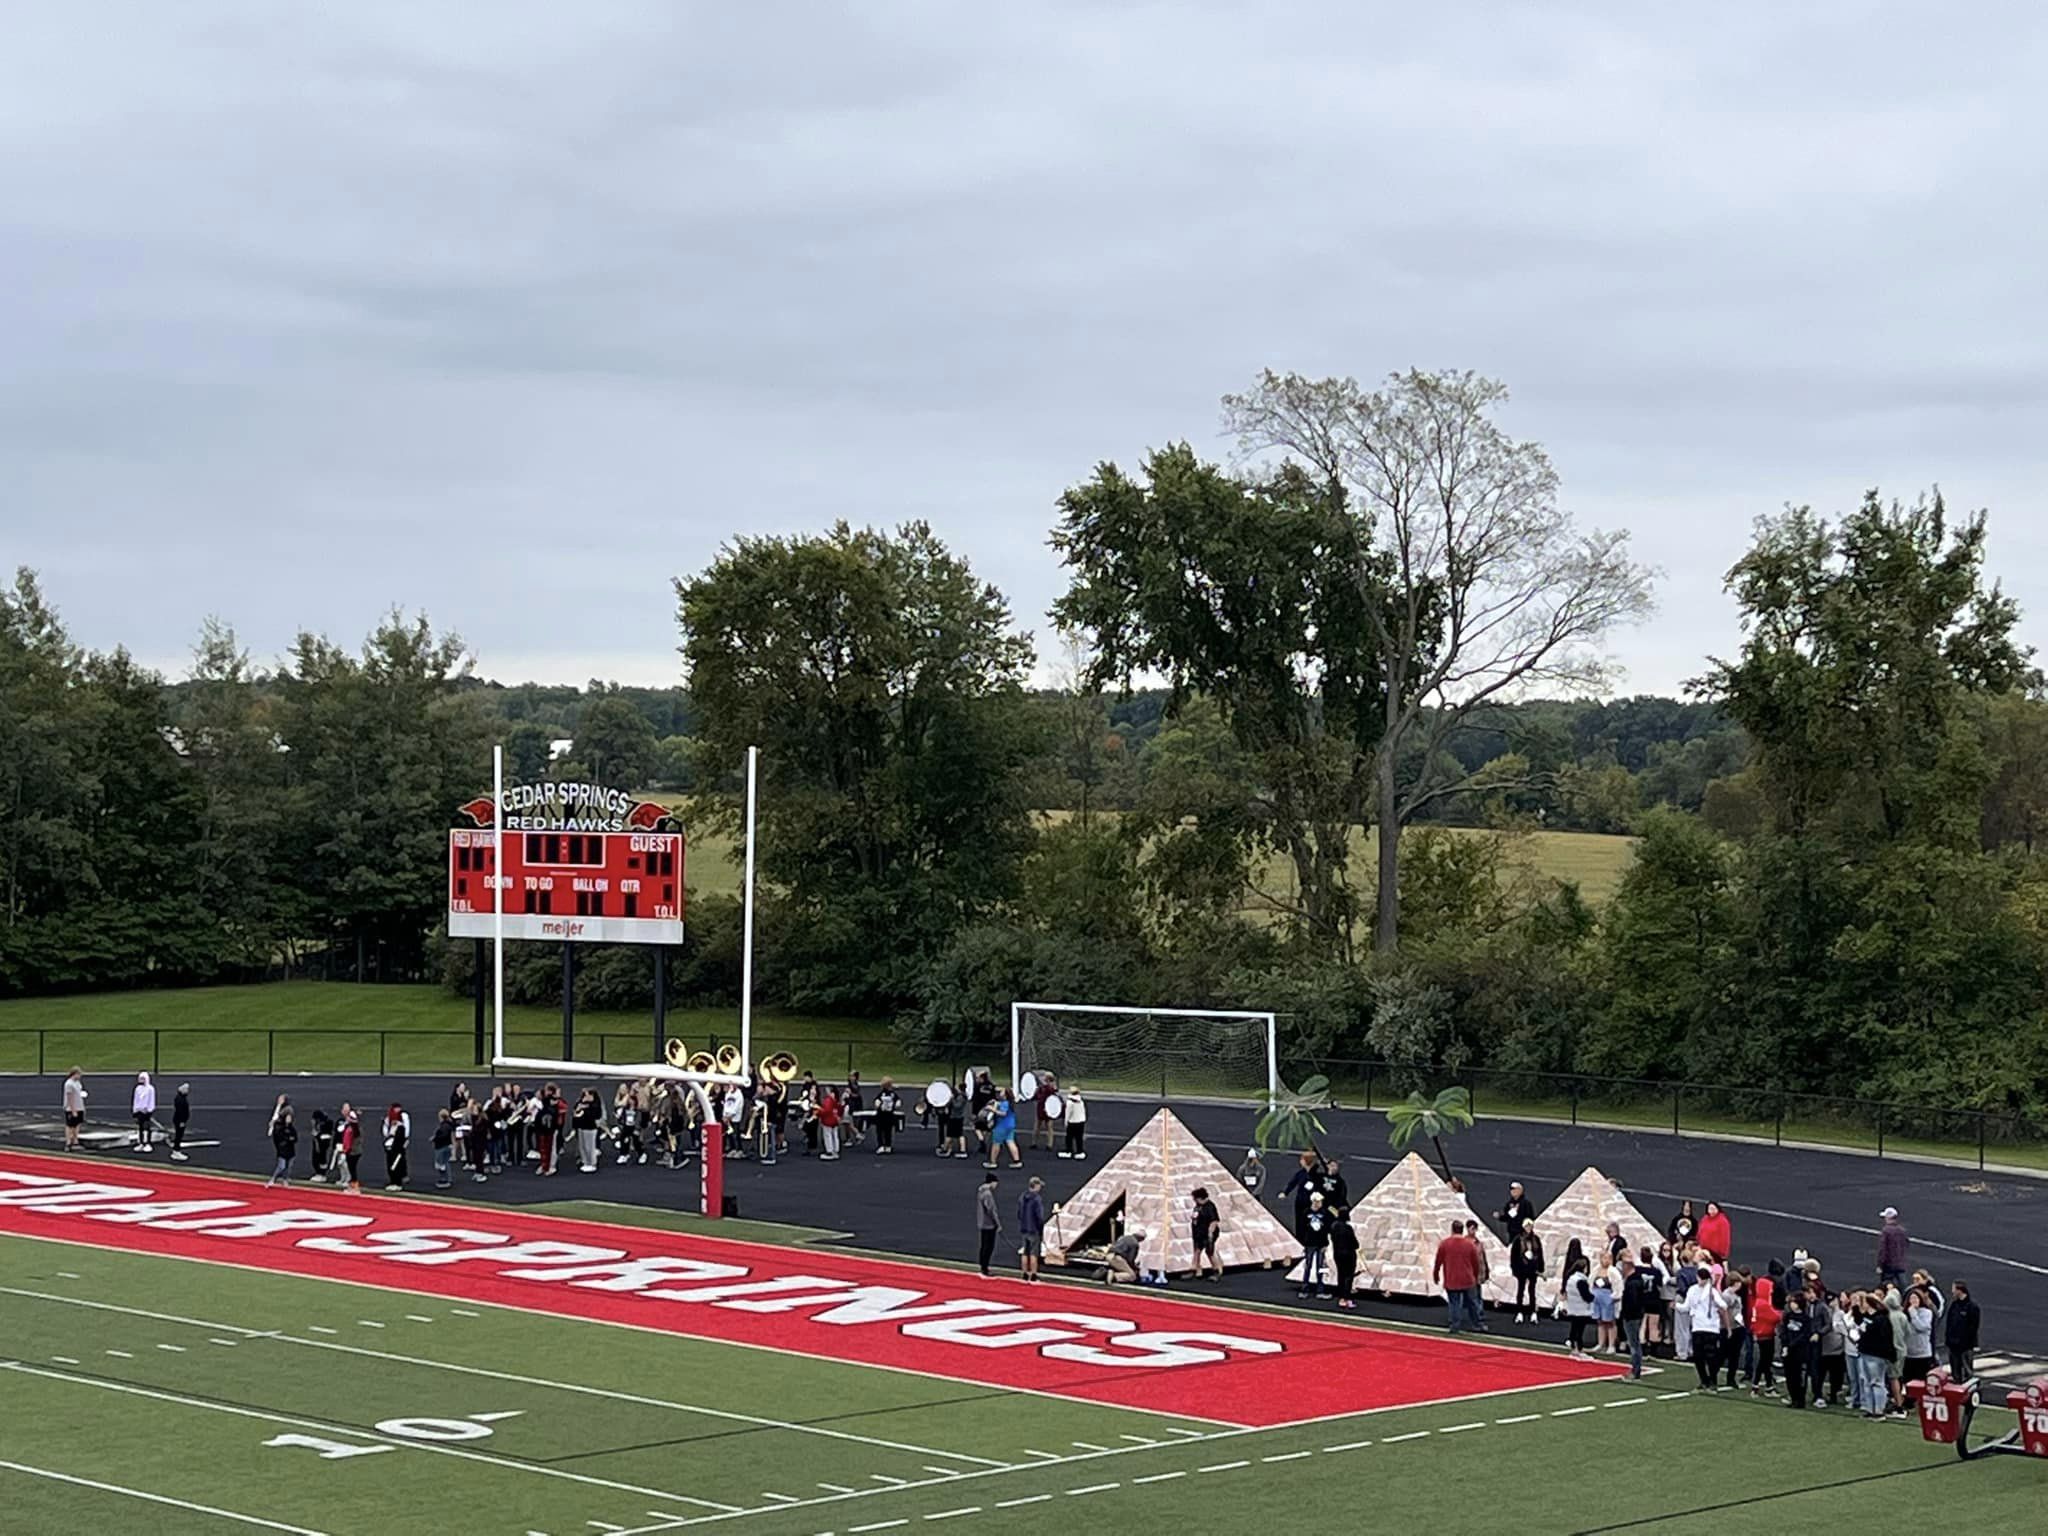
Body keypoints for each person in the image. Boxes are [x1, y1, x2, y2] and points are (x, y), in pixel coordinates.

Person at [1433, 1218, 1482, 1334]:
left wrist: (1436, 1274)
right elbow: (1476, 1263)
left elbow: (1438, 1261)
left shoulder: (1445, 1244)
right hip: (1467, 1279)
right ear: (1462, 1230)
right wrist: (1475, 1276)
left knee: (1454, 1304)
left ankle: (1455, 1326)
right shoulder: (1469, 1245)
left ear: (1452, 1230)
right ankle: (1476, 1324)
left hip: (1452, 1279)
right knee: (1472, 1303)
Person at [1683, 1267, 1727, 1388]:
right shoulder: (1692, 1290)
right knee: (1698, 1356)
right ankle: (1704, 1380)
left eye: (1703, 1279)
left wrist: (1715, 1300)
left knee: (1711, 1356)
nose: (1701, 1281)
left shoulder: (1712, 1291)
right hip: (1697, 1326)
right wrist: (1677, 1306)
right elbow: (1686, 1306)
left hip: (1711, 1328)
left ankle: (1712, 1380)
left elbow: (1723, 1305)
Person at [1619, 1253, 1657, 1379]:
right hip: (1635, 1314)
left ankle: (1636, 1370)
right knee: (1634, 1343)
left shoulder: (1633, 1283)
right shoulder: (1636, 1280)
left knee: (1634, 1343)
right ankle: (1635, 1369)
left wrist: (1627, 1313)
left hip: (1632, 1316)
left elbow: (1633, 1301)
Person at [1779, 1290, 1817, 1409]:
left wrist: (1792, 1344)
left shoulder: (1806, 1319)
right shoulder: (1788, 1316)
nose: (1792, 1304)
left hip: (1800, 1351)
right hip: (1788, 1350)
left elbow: (1805, 1335)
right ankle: (1793, 1397)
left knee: (1799, 1376)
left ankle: (1800, 1400)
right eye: (1791, 1302)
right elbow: (1783, 1331)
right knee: (1789, 1375)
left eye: (1794, 1302)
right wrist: (1785, 1344)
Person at [1297, 1192, 1333, 1299]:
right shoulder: (1306, 1213)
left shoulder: (1325, 1213)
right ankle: (1304, 1289)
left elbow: (1327, 1229)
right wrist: (1303, 1242)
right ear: (1313, 1202)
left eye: (1320, 1201)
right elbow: (1302, 1228)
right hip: (1310, 1243)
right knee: (1308, 1266)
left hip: (1321, 1244)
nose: (1320, 1203)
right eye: (1318, 1201)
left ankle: (1320, 1290)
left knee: (1320, 1267)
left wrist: (1326, 1244)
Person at [1509, 1220, 1545, 1324]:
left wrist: (1541, 1268)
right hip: (1521, 1269)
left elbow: (1540, 1254)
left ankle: (1533, 1312)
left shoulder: (1536, 1239)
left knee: (1532, 1291)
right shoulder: (1518, 1239)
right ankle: (1519, 1312)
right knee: (1520, 1290)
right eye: (1527, 1226)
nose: (1528, 1228)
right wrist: (1514, 1269)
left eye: (1530, 1226)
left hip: (1533, 1269)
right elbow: (1513, 1256)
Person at [1945, 1281, 1980, 1380]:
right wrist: (1949, 1340)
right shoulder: (1954, 1305)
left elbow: (1973, 1327)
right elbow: (1949, 1323)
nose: (1952, 1292)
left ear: (1959, 1291)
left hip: (1965, 1346)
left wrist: (1966, 1343)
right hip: (1953, 1345)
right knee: (1955, 1371)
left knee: (1967, 1371)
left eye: (1954, 1289)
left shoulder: (1972, 1307)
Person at [1903, 1286, 1937, 1383]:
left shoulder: (1927, 1313)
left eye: (1916, 1298)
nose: (1914, 1301)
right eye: (1911, 1298)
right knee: (1909, 1381)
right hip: (1909, 1354)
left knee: (1922, 1381)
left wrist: (1913, 1314)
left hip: (1923, 1354)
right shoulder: (1905, 1314)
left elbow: (1921, 1327)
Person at [1329, 1204, 1359, 1308]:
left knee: (1341, 1275)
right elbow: (1355, 1243)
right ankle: (1347, 1297)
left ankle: (1341, 1298)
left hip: (1337, 1254)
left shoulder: (1333, 1226)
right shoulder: (1347, 1228)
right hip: (1349, 1254)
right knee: (1349, 1276)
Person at [1017, 1176, 1046, 1282]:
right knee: (1034, 1253)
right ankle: (1033, 1274)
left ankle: (1024, 1273)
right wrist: (1040, 1228)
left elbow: (1019, 1213)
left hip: (1024, 1228)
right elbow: (1039, 1216)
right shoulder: (1037, 1199)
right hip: (1034, 1229)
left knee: (1025, 1252)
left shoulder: (1022, 1197)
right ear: (1036, 1185)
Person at [1191, 1186, 1222, 1281]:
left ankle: (1216, 1270)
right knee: (1197, 1251)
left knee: (1209, 1252)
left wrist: (1210, 1233)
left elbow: (1214, 1221)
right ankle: (1196, 1270)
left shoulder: (1210, 1206)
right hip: (1198, 1233)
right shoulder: (1198, 1206)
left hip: (1207, 1233)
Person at [975, 1172, 1002, 1277]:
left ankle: (983, 1265)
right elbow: (991, 1210)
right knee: (989, 1246)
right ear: (992, 1182)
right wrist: (997, 1223)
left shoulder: (980, 1191)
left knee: (983, 1246)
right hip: (989, 1224)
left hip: (982, 1223)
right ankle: (985, 1267)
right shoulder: (988, 1194)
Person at [1876, 1207, 1909, 1289]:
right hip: (1901, 1264)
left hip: (1888, 1265)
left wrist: (1880, 1264)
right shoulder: (1902, 1230)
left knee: (1886, 1285)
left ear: (1888, 1218)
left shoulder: (1886, 1231)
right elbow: (1906, 1244)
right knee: (1903, 1286)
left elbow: (1883, 1249)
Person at [987, 1091, 1020, 1169]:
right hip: (1010, 1125)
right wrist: (996, 1103)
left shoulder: (1004, 1104)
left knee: (996, 1143)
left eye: (1002, 1092)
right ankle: (1017, 1161)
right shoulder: (1010, 1103)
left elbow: (1003, 1113)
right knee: (1010, 1141)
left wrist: (992, 1109)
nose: (1000, 1093)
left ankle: (993, 1162)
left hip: (1002, 1126)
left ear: (1005, 1095)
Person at [266, 1105, 297, 1187]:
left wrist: (290, 1139)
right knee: (282, 1166)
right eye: (288, 1117)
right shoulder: (280, 1127)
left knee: (288, 1167)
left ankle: (285, 1179)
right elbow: (279, 1138)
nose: (289, 1119)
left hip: (290, 1150)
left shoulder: (291, 1128)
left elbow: (295, 1138)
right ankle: (273, 1179)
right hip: (282, 1150)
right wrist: (287, 1140)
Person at [573, 1089, 603, 1174]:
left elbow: (596, 1115)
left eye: (587, 1095)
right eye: (584, 1095)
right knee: (582, 1146)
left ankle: (592, 1163)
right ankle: (585, 1161)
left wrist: (586, 1108)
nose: (586, 1097)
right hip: (580, 1127)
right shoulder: (580, 1103)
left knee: (589, 1146)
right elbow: (575, 1111)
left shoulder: (595, 1105)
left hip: (590, 1128)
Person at [382, 1102, 409, 1190]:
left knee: (396, 1165)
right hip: (391, 1147)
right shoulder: (389, 1122)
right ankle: (393, 1181)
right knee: (391, 1165)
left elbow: (402, 1136)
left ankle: (397, 1183)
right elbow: (385, 1131)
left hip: (397, 1149)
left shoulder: (400, 1127)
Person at [338, 1103, 362, 1193]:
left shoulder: (355, 1129)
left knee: (352, 1169)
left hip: (354, 1151)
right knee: (351, 1169)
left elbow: (355, 1139)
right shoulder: (349, 1127)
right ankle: (352, 1185)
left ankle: (355, 1187)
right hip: (350, 1150)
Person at [60, 1068, 86, 1151]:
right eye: (79, 1074)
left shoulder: (78, 1083)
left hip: (79, 1106)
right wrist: (73, 1109)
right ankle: (68, 1142)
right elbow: (69, 1097)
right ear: (74, 1074)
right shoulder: (69, 1084)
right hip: (71, 1108)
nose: (80, 1076)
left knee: (77, 1124)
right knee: (70, 1125)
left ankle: (75, 1140)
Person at [130, 1071, 157, 1152]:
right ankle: (141, 1143)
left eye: (143, 1079)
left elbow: (151, 1100)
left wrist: (149, 1110)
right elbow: (136, 1100)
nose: (141, 1080)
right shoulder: (137, 1089)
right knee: (140, 1128)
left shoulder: (150, 1089)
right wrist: (135, 1110)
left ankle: (148, 1143)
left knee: (147, 1127)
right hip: (139, 1111)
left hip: (146, 1112)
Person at [872, 1078, 899, 1154]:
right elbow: (897, 1101)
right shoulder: (891, 1094)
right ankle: (887, 1145)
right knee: (887, 1131)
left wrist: (877, 1103)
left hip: (883, 1115)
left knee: (882, 1131)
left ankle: (883, 1145)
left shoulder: (886, 1094)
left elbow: (877, 1101)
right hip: (887, 1115)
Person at [1060, 1084, 1087, 1159]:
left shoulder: (1070, 1102)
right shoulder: (1081, 1100)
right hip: (1081, 1121)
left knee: (1069, 1137)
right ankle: (1080, 1151)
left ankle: (1069, 1151)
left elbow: (1068, 1113)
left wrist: (1066, 1122)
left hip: (1072, 1122)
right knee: (1079, 1137)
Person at [432, 1107, 456, 1188]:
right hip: (447, 1145)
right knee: (445, 1163)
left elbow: (443, 1136)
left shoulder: (444, 1126)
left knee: (441, 1164)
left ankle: (444, 1179)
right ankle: (447, 1179)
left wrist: (435, 1138)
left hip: (442, 1146)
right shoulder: (449, 1124)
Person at [817, 1087, 842, 1161]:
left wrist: (819, 1111)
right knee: (835, 1135)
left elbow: (826, 1110)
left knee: (828, 1135)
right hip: (835, 1120)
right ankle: (835, 1150)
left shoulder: (828, 1100)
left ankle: (829, 1151)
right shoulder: (836, 1100)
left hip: (828, 1120)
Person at [169, 1082, 192, 1161]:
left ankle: (176, 1151)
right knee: (178, 1136)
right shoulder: (180, 1099)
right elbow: (180, 1111)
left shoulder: (180, 1098)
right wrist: (182, 1121)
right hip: (179, 1121)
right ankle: (176, 1151)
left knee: (179, 1136)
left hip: (179, 1120)